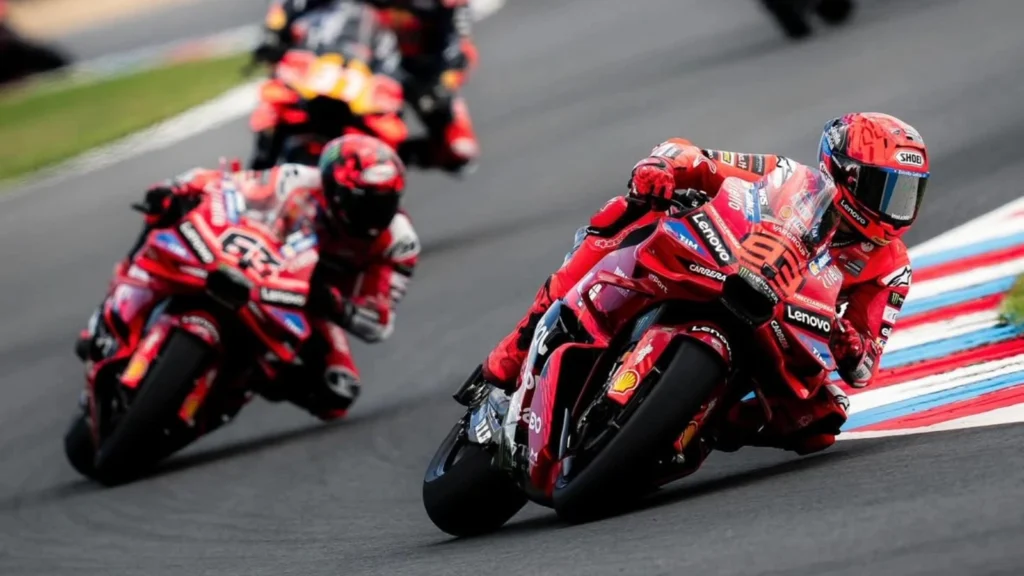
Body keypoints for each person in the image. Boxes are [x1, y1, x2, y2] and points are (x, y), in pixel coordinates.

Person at [462, 112, 929, 463]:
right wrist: (660, 168)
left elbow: (864, 367)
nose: (895, 208)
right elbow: (697, 158)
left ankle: (694, 423)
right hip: (723, 266)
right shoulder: (789, 177)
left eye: (908, 193)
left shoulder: (892, 266)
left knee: (822, 423)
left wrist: (847, 342)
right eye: (885, 189)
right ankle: (509, 359)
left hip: (781, 326)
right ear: (845, 174)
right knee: (626, 213)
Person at [76, 134, 420, 421]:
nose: (373, 215)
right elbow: (232, 187)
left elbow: (378, 322)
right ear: (334, 188)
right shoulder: (295, 180)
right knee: (163, 212)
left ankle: (245, 379)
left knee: (338, 392)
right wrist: (181, 187)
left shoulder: (399, 242)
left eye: (385, 203)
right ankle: (111, 305)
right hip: (256, 264)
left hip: (311, 305)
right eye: (363, 202)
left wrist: (330, 301)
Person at [255, 0, 479, 173]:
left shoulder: (445, 8)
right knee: (280, 94)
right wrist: (274, 33)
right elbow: (288, 9)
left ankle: (389, 168)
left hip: (407, 71)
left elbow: (458, 45)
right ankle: (259, 167)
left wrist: (443, 78)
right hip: (341, 59)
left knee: (459, 148)